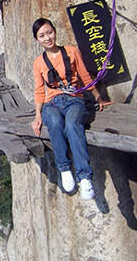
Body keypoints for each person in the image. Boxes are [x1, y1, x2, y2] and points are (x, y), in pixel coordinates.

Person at [30, 18, 112, 200]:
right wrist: (37, 115)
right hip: (52, 103)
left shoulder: (71, 52)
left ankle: (84, 177)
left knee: (72, 124)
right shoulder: (38, 63)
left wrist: (98, 97)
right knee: (54, 121)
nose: (47, 38)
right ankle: (65, 168)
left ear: (55, 31)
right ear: (37, 40)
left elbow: (84, 75)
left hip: (74, 100)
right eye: (42, 36)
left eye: (49, 32)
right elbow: (39, 91)